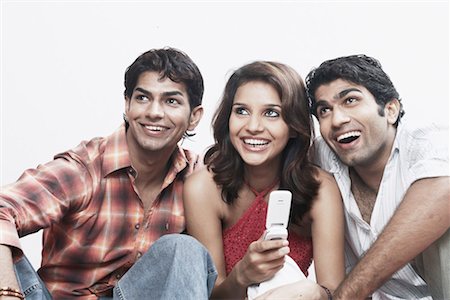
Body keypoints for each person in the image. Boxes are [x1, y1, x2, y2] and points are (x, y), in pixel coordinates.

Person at [0, 47, 217, 299]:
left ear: (194, 117)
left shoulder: (195, 180)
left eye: (171, 101)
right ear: (127, 105)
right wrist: (7, 291)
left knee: (185, 250)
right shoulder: (84, 169)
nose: (154, 112)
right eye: (143, 98)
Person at [183, 61, 345, 300]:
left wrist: (307, 292)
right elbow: (208, 296)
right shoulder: (203, 188)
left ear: (293, 126)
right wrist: (242, 275)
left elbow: (336, 291)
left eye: (271, 113)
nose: (253, 127)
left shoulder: (320, 188)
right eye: (241, 111)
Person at [305, 54, 449, 300]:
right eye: (324, 110)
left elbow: (443, 188)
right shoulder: (323, 156)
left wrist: (345, 296)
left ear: (391, 110)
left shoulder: (427, 140)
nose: (337, 120)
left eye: (350, 100)